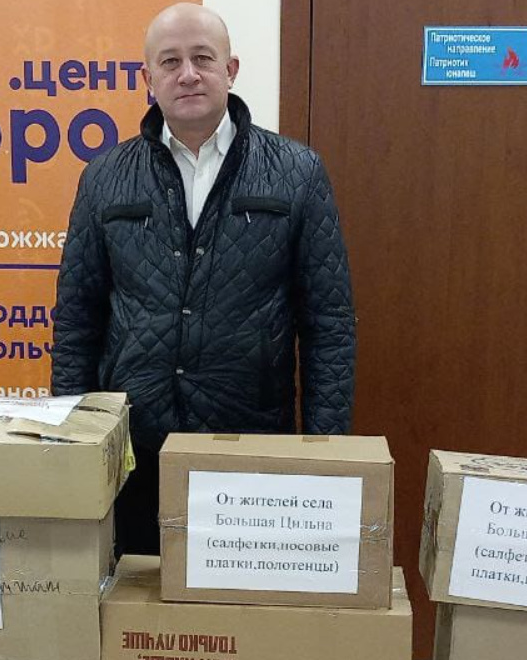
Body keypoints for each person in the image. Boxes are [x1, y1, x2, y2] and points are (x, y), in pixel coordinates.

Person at [52, 2, 355, 556]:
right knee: (138, 598)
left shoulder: (297, 173)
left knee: (242, 598)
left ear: (230, 70)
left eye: (203, 58)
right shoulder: (104, 178)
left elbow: (328, 322)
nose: (187, 74)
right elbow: (77, 317)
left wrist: (325, 450)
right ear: (148, 79)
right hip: (135, 447)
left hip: (250, 442)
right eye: (170, 62)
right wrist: (76, 441)